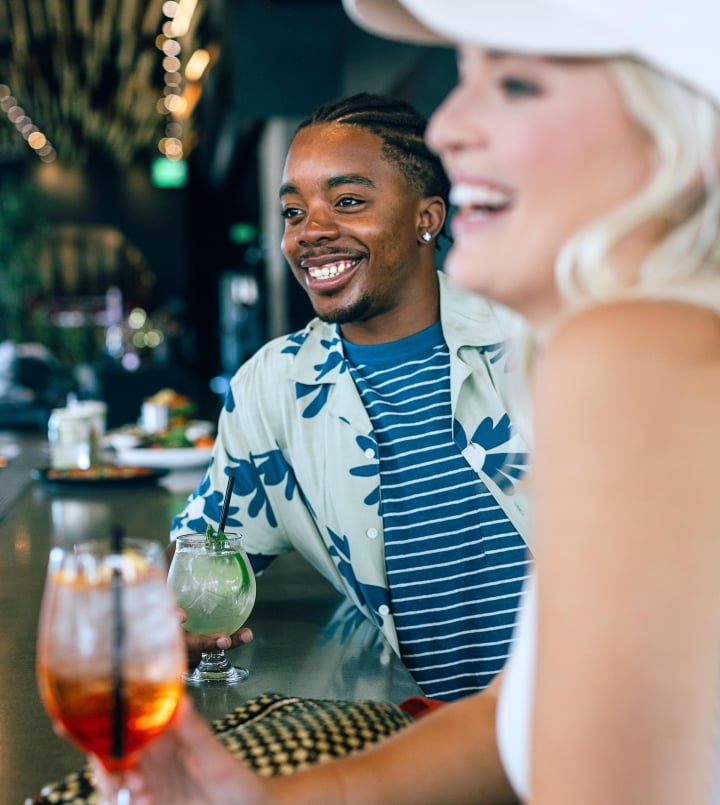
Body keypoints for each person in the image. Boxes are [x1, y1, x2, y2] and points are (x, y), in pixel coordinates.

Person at [100, 0, 720, 802]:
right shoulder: (603, 348)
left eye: (520, 83)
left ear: (682, 124)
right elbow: (528, 714)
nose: (453, 126)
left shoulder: (614, 356)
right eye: (465, 78)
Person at [170, 92, 531, 702]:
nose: (310, 232)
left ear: (428, 217)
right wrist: (167, 619)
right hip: (429, 751)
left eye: (347, 202)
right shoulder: (273, 389)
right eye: (292, 211)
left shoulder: (533, 336)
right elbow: (199, 558)